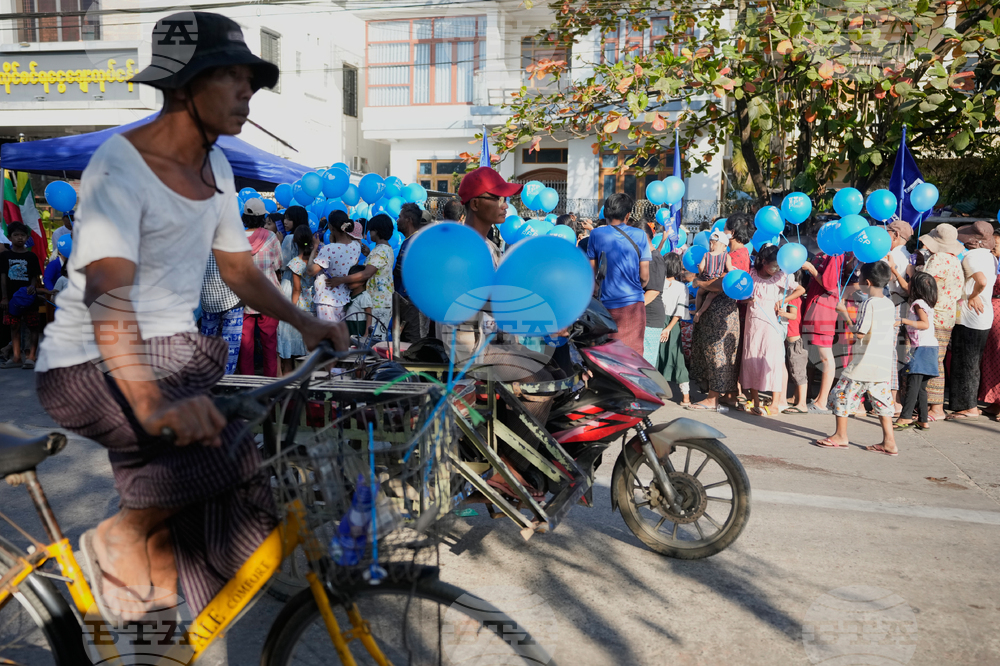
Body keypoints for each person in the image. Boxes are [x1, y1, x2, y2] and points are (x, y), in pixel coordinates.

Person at [33, 12, 348, 624]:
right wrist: (151, 406)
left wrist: (304, 321)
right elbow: (107, 291)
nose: (246, 93)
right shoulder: (121, 166)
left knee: (245, 512)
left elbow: (238, 269)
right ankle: (118, 539)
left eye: (249, 80)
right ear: (182, 86)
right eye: (229, 77)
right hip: (89, 364)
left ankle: (155, 626)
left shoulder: (219, 168)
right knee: (225, 452)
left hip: (172, 353)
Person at [816, 262, 897, 455]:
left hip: (863, 364)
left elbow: (859, 333)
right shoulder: (889, 303)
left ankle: (840, 435)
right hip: (882, 363)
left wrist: (844, 313)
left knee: (840, 395)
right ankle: (889, 441)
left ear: (866, 282)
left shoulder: (868, 304)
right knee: (882, 403)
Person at [688, 214, 752, 410]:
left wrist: (699, 282)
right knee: (724, 353)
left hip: (721, 311)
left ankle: (712, 398)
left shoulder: (733, 257)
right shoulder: (740, 254)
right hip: (725, 310)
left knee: (717, 352)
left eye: (724, 229)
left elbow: (721, 284)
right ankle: (729, 395)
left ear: (731, 233)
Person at [739, 244, 801, 416]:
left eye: (778, 266)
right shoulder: (752, 274)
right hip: (753, 325)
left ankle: (775, 403)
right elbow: (742, 298)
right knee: (751, 359)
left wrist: (783, 301)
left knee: (772, 362)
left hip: (771, 326)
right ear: (763, 261)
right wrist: (747, 299)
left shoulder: (780, 277)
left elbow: (800, 289)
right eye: (773, 265)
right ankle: (756, 401)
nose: (775, 269)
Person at [586, 192, 650, 355]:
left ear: (606, 212)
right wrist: (636, 286)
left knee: (608, 356)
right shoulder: (640, 235)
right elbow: (644, 276)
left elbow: (591, 273)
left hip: (606, 307)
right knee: (632, 357)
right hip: (633, 306)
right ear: (628, 215)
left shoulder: (596, 234)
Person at [947, 221, 998, 420]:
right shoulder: (990, 257)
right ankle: (968, 405)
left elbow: (982, 281)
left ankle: (968, 407)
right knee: (972, 362)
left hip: (969, 316)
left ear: (974, 241)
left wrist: (972, 295)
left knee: (965, 362)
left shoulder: (972, 256)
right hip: (983, 316)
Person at [914, 223, 965, 421]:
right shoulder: (955, 261)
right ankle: (934, 405)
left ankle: (936, 407)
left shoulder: (937, 259)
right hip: (948, 316)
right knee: (938, 359)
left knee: (931, 360)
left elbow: (925, 283)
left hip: (934, 316)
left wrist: (914, 271)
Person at [328, 214, 395, 341]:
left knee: (373, 341)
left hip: (378, 302)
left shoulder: (379, 251)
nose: (369, 233)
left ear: (377, 231)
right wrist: (369, 254)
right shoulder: (385, 249)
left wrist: (340, 280)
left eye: (370, 230)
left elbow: (366, 274)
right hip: (381, 301)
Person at [237, 198, 283, 377]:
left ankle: (248, 386)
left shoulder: (237, 238)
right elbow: (278, 264)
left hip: (243, 296)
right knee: (270, 345)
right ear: (263, 216)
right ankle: (270, 388)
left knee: (246, 345)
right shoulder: (271, 237)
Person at [802, 247, 850, 414]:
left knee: (825, 356)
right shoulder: (834, 253)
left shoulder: (836, 254)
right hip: (822, 305)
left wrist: (811, 268)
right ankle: (820, 399)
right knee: (822, 355)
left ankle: (822, 401)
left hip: (823, 307)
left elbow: (829, 284)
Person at [894, 272, 939, 430]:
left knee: (913, 383)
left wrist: (902, 320)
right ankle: (923, 419)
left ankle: (905, 417)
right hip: (930, 348)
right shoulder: (927, 302)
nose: (908, 284)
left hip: (922, 348)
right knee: (921, 387)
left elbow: (924, 324)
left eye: (911, 282)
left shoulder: (918, 303)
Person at [0, 222, 42, 369]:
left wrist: (32, 287)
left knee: (33, 326)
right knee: (14, 326)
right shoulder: (5, 256)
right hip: (12, 298)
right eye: (16, 235)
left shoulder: (31, 256)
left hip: (28, 297)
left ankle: (31, 356)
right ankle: (16, 357)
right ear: (10, 238)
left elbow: (34, 276)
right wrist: (4, 297)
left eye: (22, 235)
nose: (19, 238)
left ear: (27, 238)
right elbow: (3, 277)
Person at [308, 211, 361, 323]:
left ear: (331, 227)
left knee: (327, 336)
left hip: (326, 299)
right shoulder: (356, 246)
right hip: (344, 298)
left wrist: (314, 248)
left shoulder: (328, 249)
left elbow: (310, 271)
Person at [884, 220, 913, 413]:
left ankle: (893, 400)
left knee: (890, 352)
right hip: (905, 306)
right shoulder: (909, 256)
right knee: (901, 353)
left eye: (887, 232)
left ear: (895, 235)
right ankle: (898, 398)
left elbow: (887, 280)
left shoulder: (890, 255)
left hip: (892, 303)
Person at [277, 225, 315, 372]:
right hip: (311, 306)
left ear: (294, 243)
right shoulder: (314, 260)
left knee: (290, 343)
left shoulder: (295, 263)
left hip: (299, 306)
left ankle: (288, 377)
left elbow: (296, 288)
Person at [199, 254, 244, 375]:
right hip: (232, 299)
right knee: (230, 347)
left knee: (208, 343)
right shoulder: (231, 240)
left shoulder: (198, 240)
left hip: (208, 300)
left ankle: (207, 376)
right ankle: (226, 380)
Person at [657, 252, 691, 405]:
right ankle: (686, 397)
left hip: (658, 321)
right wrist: (669, 328)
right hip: (673, 325)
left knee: (657, 356)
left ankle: (655, 391)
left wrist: (664, 328)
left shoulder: (656, 283)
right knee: (677, 358)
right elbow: (680, 312)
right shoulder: (682, 287)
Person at [393, 202, 426, 342]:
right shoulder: (408, 241)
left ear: (409, 220)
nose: (397, 220)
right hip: (403, 302)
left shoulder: (419, 241)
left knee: (414, 344)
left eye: (400, 217)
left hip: (414, 303)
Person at [978, 228, 1000, 418]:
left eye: (997, 244)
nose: (993, 248)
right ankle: (994, 401)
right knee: (991, 357)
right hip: (991, 312)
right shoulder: (991, 260)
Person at [783, 269, 810, 412]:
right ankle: (796, 398)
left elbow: (793, 316)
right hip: (793, 339)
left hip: (795, 340)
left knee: (798, 372)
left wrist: (782, 313)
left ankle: (802, 404)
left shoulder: (793, 298)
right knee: (795, 370)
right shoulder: (797, 297)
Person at [693, 230, 733, 324]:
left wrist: (701, 273)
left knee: (699, 293)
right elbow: (730, 270)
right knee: (709, 297)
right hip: (717, 281)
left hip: (706, 279)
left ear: (711, 244)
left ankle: (696, 310)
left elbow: (701, 267)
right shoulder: (726, 256)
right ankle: (700, 312)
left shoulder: (706, 255)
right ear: (724, 247)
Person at [641, 223, 667, 367]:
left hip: (651, 317)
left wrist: (634, 307)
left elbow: (654, 291)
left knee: (646, 365)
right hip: (646, 315)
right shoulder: (650, 256)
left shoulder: (654, 258)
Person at [344, 265, 373, 339]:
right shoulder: (348, 294)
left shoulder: (364, 296)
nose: (349, 281)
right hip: (349, 325)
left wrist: (367, 333)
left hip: (359, 326)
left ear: (362, 282)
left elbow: (369, 316)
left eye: (353, 279)